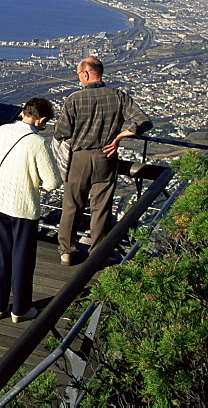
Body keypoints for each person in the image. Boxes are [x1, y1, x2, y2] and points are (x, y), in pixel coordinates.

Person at [54, 57, 153, 265]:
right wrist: (120, 136)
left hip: (79, 157)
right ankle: (98, 253)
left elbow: (62, 132)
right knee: (101, 206)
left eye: (79, 75)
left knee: (72, 204)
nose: (79, 79)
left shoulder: (74, 99)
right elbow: (144, 122)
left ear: (87, 74)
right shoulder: (118, 97)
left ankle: (67, 251)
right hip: (106, 156)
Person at [0, 98, 62, 323]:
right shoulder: (37, 143)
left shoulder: (2, 131)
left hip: (0, 202)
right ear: (42, 119)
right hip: (24, 206)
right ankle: (20, 309)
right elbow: (53, 181)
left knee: (2, 256)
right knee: (23, 259)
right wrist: (35, 180)